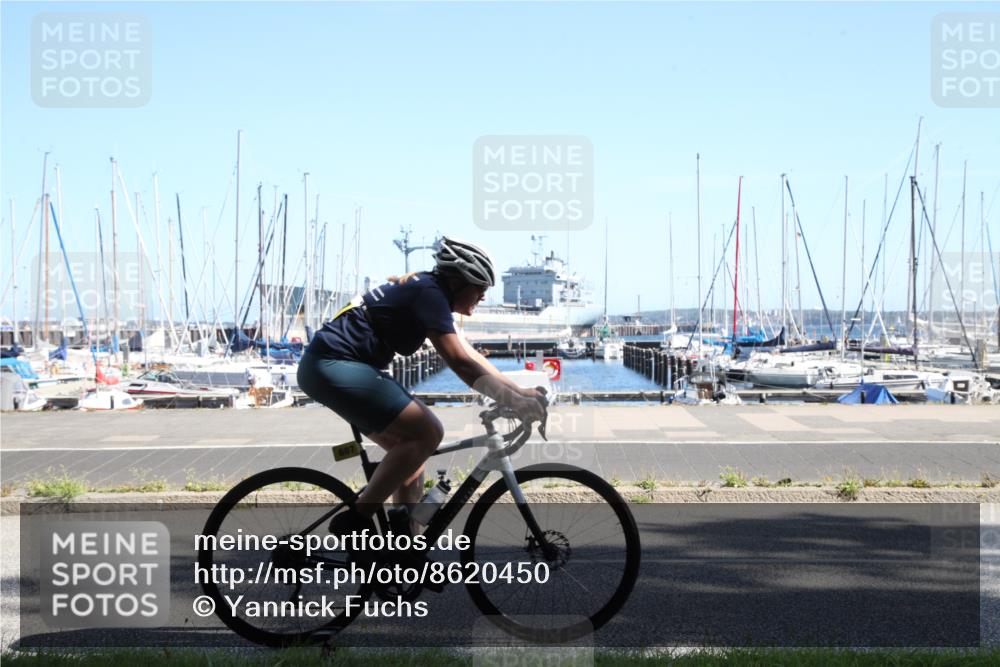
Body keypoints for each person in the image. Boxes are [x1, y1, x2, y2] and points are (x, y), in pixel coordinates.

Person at [297, 237, 546, 536]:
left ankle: (405, 548)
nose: (483, 295)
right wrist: (515, 403)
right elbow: (460, 363)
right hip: (332, 364)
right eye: (480, 286)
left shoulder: (429, 292)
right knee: (428, 432)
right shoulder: (429, 294)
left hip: (332, 366)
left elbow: (471, 355)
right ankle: (356, 520)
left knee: (412, 454)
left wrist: (519, 392)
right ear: (459, 280)